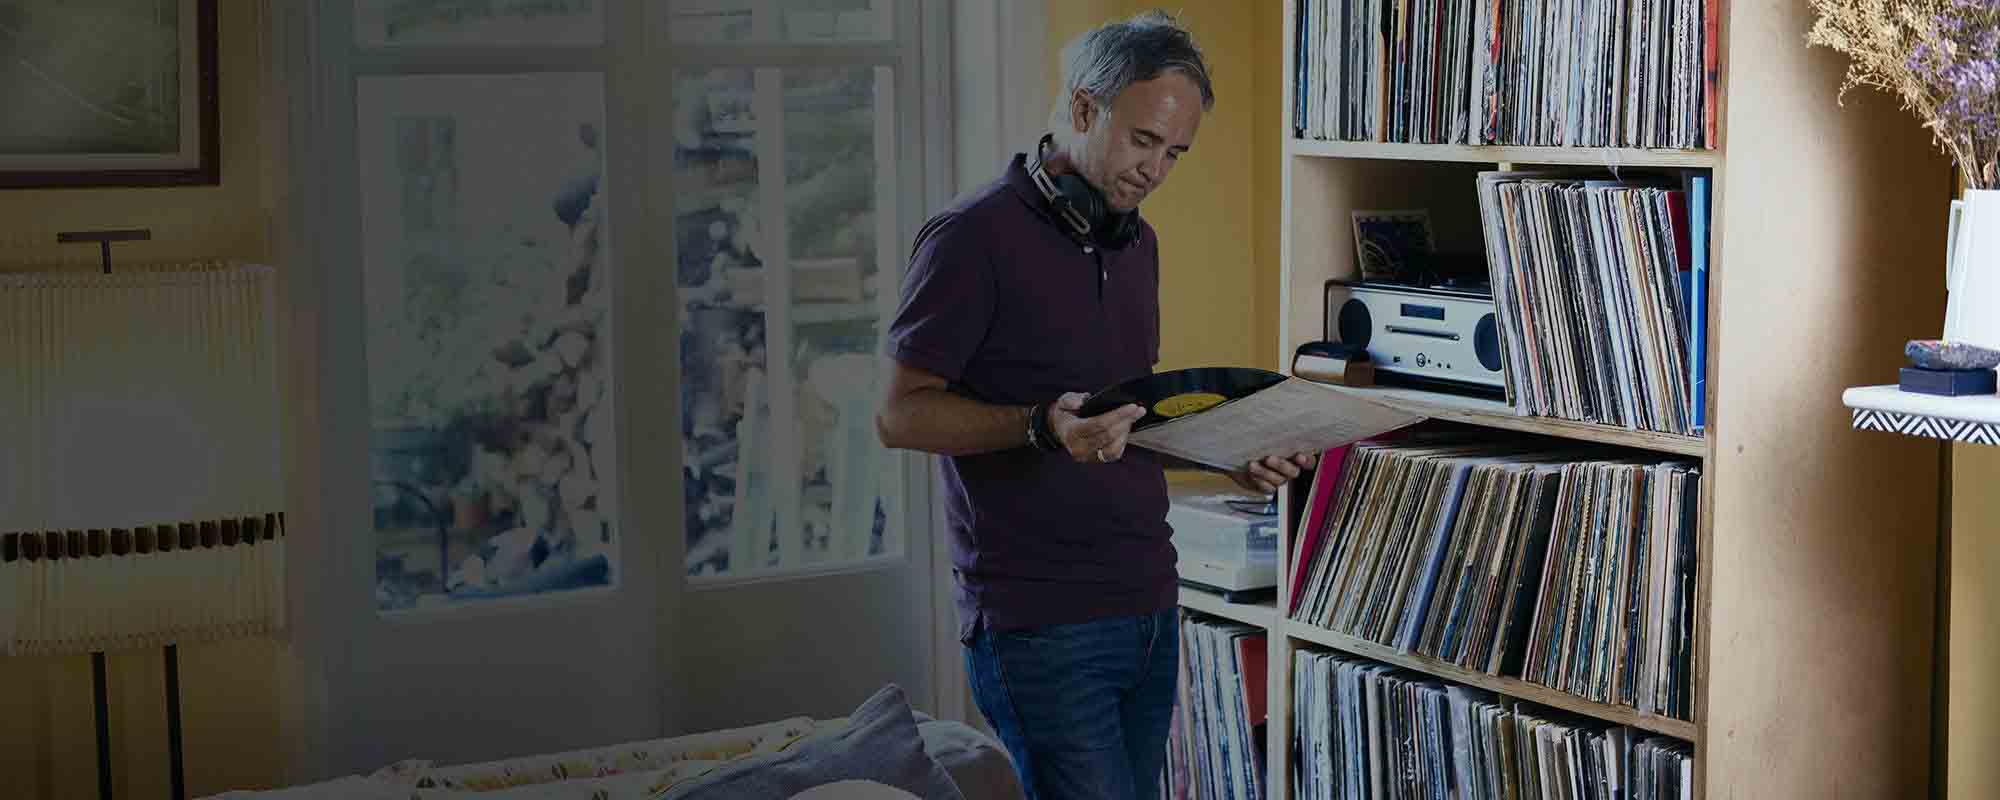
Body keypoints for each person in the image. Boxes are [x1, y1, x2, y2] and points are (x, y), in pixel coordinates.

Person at [875, 10, 1317, 800]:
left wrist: (1233, 453)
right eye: (1145, 141)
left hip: (1150, 598)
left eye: (1175, 153)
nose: (1157, 170)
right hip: (1040, 622)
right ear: (1083, 109)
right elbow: (900, 414)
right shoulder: (970, 238)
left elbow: (1127, 423)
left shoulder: (1136, 243)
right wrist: (1040, 426)